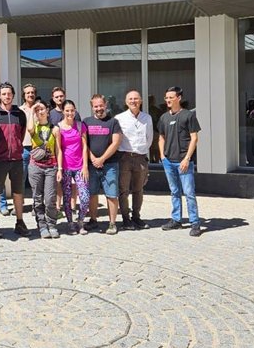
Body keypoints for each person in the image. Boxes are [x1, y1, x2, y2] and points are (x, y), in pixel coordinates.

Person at [158, 86, 202, 237]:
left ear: (179, 98)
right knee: (174, 191)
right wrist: (162, 157)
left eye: (171, 97)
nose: (168, 100)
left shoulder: (188, 115)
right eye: (166, 98)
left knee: (189, 192)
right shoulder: (164, 117)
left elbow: (194, 138)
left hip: (184, 161)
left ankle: (195, 223)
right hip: (168, 161)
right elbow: (161, 138)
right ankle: (176, 220)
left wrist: (187, 158)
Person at [0, 82, 29, 238]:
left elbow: (23, 132)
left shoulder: (20, 114)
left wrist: (17, 147)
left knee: (18, 192)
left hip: (17, 159)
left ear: (13, 95)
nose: (7, 96)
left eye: (9, 93)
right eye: (4, 94)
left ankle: (20, 222)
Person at [83, 95, 122, 235]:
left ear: (105, 105)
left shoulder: (113, 122)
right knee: (92, 194)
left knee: (111, 194)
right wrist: (93, 158)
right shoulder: (86, 122)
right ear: (92, 106)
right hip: (91, 164)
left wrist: (102, 159)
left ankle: (112, 223)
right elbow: (83, 143)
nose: (99, 108)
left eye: (101, 105)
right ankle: (93, 220)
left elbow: (116, 142)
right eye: (96, 106)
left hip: (110, 165)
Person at [115, 89, 153, 230]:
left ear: (141, 101)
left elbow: (149, 138)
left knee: (139, 189)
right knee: (123, 190)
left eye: (136, 99)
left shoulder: (147, 118)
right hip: (124, 157)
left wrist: (141, 151)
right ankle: (126, 218)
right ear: (126, 102)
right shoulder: (119, 118)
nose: (133, 101)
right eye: (130, 99)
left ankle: (136, 217)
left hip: (141, 158)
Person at [27, 102, 60, 239]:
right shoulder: (34, 126)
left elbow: (59, 150)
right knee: (37, 198)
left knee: (50, 198)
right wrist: (32, 110)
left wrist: (60, 168)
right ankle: (42, 225)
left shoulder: (54, 129)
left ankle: (51, 224)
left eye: (43, 109)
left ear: (48, 111)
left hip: (51, 167)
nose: (40, 112)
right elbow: (29, 129)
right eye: (38, 110)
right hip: (36, 166)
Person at [56, 100, 90, 235]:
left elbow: (85, 146)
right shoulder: (58, 127)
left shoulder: (81, 126)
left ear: (75, 111)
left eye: (72, 110)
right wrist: (59, 168)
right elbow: (58, 149)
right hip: (66, 167)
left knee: (85, 196)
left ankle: (81, 221)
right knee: (67, 195)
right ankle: (70, 223)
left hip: (80, 166)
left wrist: (85, 166)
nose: (70, 113)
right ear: (63, 111)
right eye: (67, 110)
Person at [20, 83, 37, 189]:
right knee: (21, 177)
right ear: (24, 95)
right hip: (24, 147)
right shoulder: (19, 110)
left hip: (38, 148)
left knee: (37, 178)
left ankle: (38, 203)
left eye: (32, 92)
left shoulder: (40, 109)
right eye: (28, 93)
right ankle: (20, 203)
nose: (30, 94)